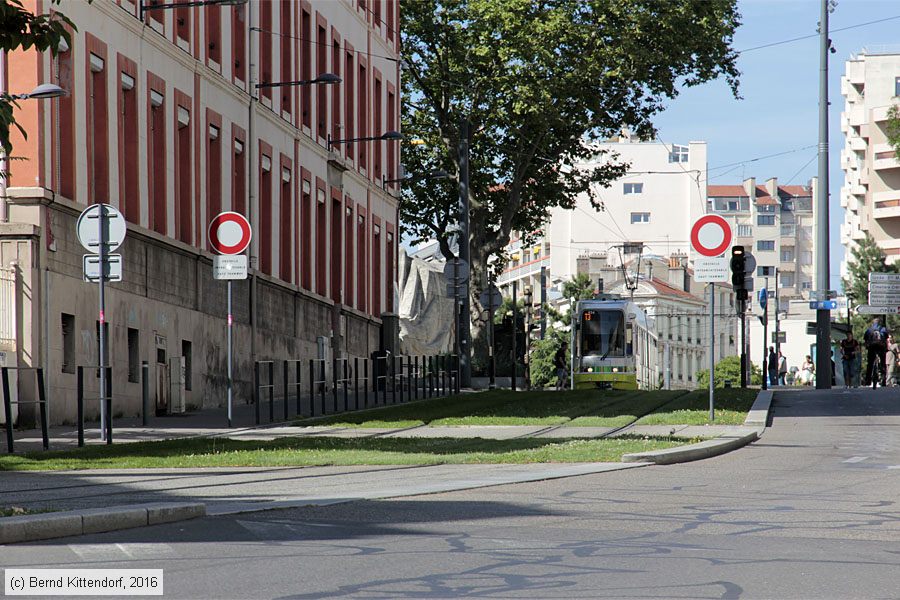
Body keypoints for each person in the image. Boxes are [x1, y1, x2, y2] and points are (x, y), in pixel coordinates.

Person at [863, 318, 888, 387]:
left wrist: (867, 347)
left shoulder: (869, 329)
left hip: (872, 348)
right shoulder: (883, 329)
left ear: (873, 323)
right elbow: (886, 339)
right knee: (883, 363)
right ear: (879, 323)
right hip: (881, 347)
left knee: (870, 363)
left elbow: (865, 340)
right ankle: (883, 380)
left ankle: (868, 380)